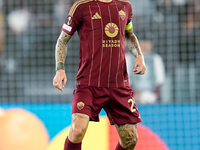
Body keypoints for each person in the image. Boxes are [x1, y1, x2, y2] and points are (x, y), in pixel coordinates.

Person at [53, 0, 146, 149]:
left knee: (130, 139)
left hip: (119, 85)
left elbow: (128, 35)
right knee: (77, 130)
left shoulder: (125, 6)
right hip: (89, 83)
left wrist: (139, 56)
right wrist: (60, 69)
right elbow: (62, 40)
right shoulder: (81, 6)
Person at [126, 40, 165, 104]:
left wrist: (155, 95)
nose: (144, 45)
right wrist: (134, 93)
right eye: (142, 42)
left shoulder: (156, 58)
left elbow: (160, 80)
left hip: (151, 96)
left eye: (147, 42)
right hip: (132, 96)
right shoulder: (128, 57)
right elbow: (125, 79)